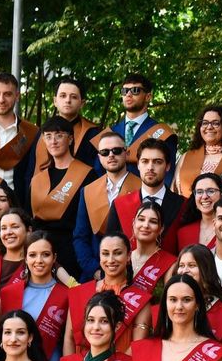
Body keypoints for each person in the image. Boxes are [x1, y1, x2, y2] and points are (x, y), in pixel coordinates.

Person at [29, 116, 99, 279]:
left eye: (59, 136)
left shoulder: (87, 175)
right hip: (42, 251)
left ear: (70, 139)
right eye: (48, 136)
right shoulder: (38, 179)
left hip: (72, 249)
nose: (53, 141)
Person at [63, 234, 152, 355]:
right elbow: (69, 338)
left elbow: (137, 345)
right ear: (99, 257)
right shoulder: (81, 292)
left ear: (128, 256)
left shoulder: (140, 299)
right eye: (105, 253)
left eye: (117, 253)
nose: (111, 260)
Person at [72, 131, 141, 279]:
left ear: (127, 153)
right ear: (99, 157)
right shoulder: (88, 191)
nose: (111, 155)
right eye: (105, 152)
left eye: (116, 150)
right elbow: (80, 237)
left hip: (133, 270)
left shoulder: (142, 188)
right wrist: (95, 271)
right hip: (96, 271)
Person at [0, 230, 70, 361]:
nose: (39, 260)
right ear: (25, 258)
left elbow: (69, 340)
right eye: (32, 255)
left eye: (46, 255)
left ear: (54, 258)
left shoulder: (66, 295)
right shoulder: (9, 293)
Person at [104, 139, 184, 251]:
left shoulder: (183, 205)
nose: (150, 167)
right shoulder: (119, 205)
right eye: (145, 161)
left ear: (168, 166)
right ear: (138, 165)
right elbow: (110, 248)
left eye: (157, 162)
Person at [176, 245, 222, 354]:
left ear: (206, 269)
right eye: (181, 265)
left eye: (192, 265)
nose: (184, 271)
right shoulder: (170, 306)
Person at [104, 72, 177, 170]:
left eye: (135, 90)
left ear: (148, 97)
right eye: (124, 91)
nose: (128, 94)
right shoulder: (110, 132)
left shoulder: (162, 133)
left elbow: (168, 172)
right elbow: (99, 170)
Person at [174, 104, 222, 195]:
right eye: (205, 123)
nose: (209, 127)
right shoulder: (186, 157)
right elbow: (173, 191)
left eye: (215, 123)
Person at [41, 76, 104, 168]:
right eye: (63, 96)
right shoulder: (42, 133)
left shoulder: (94, 134)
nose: (68, 100)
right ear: (55, 101)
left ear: (82, 103)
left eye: (74, 97)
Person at [125, 200, 177, 295]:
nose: (145, 225)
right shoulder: (124, 258)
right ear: (133, 223)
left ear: (161, 229)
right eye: (141, 219)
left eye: (153, 222)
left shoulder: (170, 264)